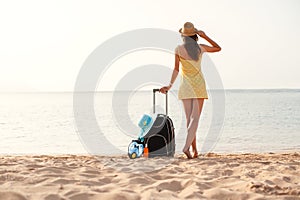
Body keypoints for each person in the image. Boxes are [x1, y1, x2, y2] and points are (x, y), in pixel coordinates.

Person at [160, 22, 221, 159]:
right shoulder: (200, 48)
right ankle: (187, 148)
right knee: (195, 120)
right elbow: (218, 48)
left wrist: (169, 85)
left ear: (183, 36)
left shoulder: (178, 49)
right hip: (198, 85)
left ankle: (195, 151)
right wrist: (205, 36)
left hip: (185, 86)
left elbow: (176, 68)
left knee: (189, 120)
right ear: (195, 35)